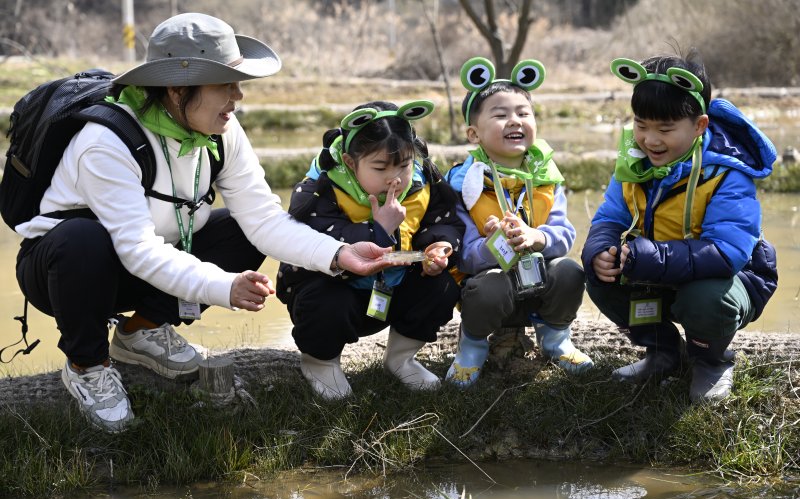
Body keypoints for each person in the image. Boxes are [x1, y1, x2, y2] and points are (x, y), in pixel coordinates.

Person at [13, 13, 396, 432]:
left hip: (151, 259)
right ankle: (87, 365)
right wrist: (223, 287)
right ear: (178, 88)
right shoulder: (105, 143)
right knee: (81, 239)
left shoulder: (221, 132)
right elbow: (137, 249)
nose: (238, 96)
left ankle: (141, 332)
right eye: (224, 84)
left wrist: (338, 254)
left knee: (238, 230)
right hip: (68, 270)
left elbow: (264, 219)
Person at [581, 53, 778, 403]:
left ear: (699, 125)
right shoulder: (633, 165)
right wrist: (599, 249)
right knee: (602, 277)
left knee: (705, 298)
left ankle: (710, 360)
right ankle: (664, 352)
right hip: (656, 269)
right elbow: (610, 217)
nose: (650, 140)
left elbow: (727, 252)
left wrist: (653, 256)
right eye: (641, 125)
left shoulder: (726, 174)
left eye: (665, 129)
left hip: (729, 280)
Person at [276, 100, 464, 400]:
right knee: (324, 300)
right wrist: (379, 228)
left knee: (442, 285)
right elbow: (313, 237)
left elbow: (445, 219)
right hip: (340, 289)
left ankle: (400, 358)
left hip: (395, 289)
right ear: (351, 162)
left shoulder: (423, 180)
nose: (395, 179)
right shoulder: (322, 188)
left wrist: (439, 246)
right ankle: (320, 362)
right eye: (380, 168)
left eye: (403, 165)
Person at [444, 57, 593, 388]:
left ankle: (555, 339)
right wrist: (494, 243)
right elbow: (464, 257)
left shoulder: (546, 177)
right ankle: (472, 347)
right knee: (490, 285)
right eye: (500, 115)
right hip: (491, 284)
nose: (515, 121)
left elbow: (564, 233)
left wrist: (536, 237)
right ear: (473, 133)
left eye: (524, 114)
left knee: (569, 271)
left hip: (538, 277)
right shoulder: (462, 184)